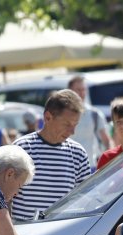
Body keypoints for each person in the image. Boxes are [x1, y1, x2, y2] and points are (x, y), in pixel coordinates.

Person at [11, 89, 90, 221]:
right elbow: (4, 198)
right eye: (67, 124)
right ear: (48, 117)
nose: (72, 131)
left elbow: (85, 201)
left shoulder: (78, 154)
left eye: (75, 125)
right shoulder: (21, 148)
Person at [68, 75, 112, 168]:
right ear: (70, 91)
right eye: (78, 90)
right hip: (68, 168)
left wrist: (109, 163)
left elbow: (106, 140)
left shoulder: (94, 114)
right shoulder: (62, 115)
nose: (82, 93)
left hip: (90, 167)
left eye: (84, 89)